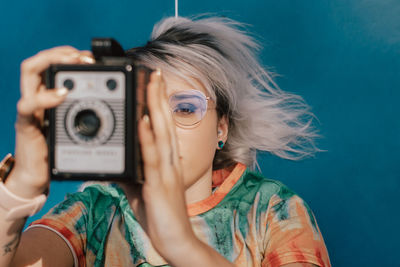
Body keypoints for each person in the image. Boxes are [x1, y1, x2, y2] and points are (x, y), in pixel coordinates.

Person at [0, 16, 331, 267]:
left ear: (222, 128)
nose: (161, 127)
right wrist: (18, 190)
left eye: (185, 108)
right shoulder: (95, 209)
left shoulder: (273, 210)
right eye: (141, 109)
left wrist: (179, 243)